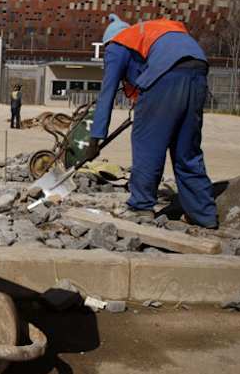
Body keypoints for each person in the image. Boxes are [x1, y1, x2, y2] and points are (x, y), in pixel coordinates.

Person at [86, 14, 217, 228]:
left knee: (146, 144)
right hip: (198, 70)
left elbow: (107, 94)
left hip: (165, 75)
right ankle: (203, 214)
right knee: (187, 151)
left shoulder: (117, 45)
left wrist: (95, 139)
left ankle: (141, 207)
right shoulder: (149, 33)